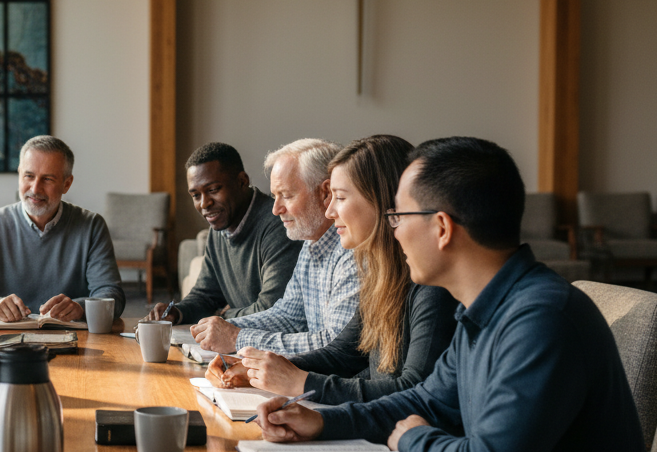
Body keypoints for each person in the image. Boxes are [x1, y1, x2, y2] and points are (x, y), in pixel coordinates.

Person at [254, 137, 657, 452]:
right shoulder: (485, 307)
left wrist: (412, 439)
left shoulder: (542, 319)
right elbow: (425, 401)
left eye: (398, 216)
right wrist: (322, 422)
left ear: (442, 227)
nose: (392, 230)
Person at [207, 135, 455, 404]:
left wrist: (300, 383)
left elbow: (414, 391)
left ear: (381, 200)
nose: (330, 212)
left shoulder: (428, 283)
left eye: (340, 197)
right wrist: (265, 369)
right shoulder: (382, 275)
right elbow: (344, 353)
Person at [191, 139, 359, 356]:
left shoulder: (352, 251)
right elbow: (288, 316)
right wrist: (225, 327)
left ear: (325, 193)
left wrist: (237, 338)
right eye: (274, 197)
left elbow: (336, 343)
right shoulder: (311, 244)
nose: (276, 209)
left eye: (287, 196)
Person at [0, 135, 126, 323]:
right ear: (19, 174)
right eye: (29, 176)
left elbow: (112, 296)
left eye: (48, 179)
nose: (35, 189)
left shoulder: (92, 226)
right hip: (8, 343)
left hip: (75, 340)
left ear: (66, 184)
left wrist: (80, 308)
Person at [145, 142, 299, 324]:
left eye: (213, 190)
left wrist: (221, 316)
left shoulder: (278, 225)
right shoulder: (218, 229)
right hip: (240, 340)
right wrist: (177, 312)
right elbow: (206, 295)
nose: (204, 204)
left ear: (242, 181)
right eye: (196, 195)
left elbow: (271, 309)